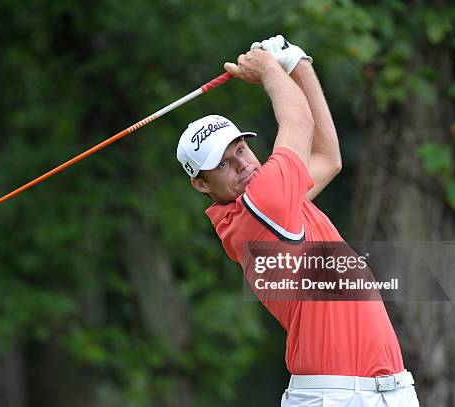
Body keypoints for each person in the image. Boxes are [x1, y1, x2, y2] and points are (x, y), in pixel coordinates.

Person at [176, 36, 420, 406]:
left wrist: (298, 65)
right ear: (201, 184)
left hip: (387, 392)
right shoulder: (261, 205)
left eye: (240, 149)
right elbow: (299, 121)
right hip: (334, 397)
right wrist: (270, 70)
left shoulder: (275, 199)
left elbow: (327, 157)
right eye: (223, 163)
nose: (242, 165)